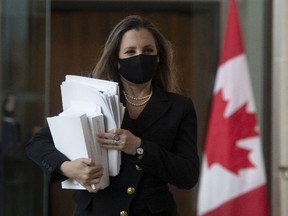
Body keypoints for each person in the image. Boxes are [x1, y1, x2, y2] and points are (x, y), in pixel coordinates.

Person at [26, 15, 199, 216]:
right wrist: (67, 168)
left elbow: (188, 175)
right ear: (117, 59)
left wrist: (139, 147)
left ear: (159, 57)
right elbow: (37, 144)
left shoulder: (180, 107)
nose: (140, 57)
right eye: (130, 51)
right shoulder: (92, 97)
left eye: (148, 51)